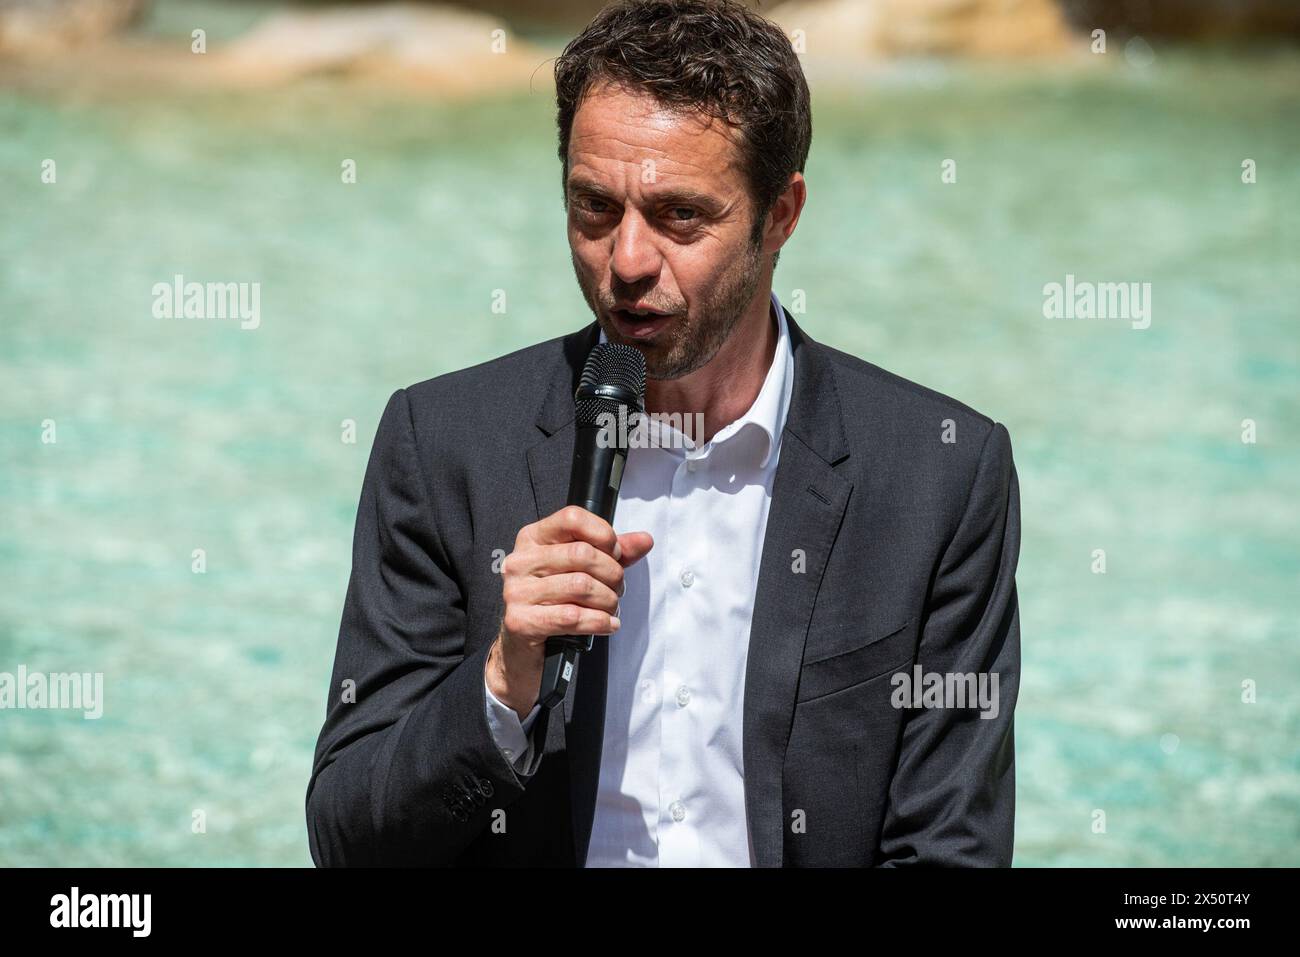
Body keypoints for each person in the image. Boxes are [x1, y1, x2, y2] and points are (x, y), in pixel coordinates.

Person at [306, 0, 1020, 867]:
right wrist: (503, 680)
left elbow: (949, 850)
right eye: (594, 207)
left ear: (782, 214)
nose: (628, 261)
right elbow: (347, 838)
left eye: (681, 215)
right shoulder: (443, 440)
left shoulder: (939, 471)